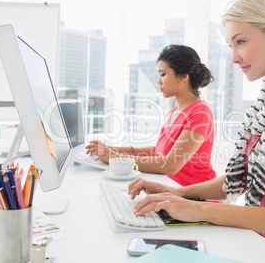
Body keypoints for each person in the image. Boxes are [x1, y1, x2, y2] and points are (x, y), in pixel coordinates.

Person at [127, 0, 265, 262]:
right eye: (231, 45)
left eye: (241, 41)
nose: (233, 57)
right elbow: (239, 179)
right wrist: (179, 194)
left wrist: (200, 211)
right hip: (256, 243)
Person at [86, 44, 216, 186]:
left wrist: (114, 157)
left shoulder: (200, 113)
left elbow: (170, 165)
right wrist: (112, 150)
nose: (158, 81)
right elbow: (158, 152)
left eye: (163, 74)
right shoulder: (176, 111)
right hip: (173, 192)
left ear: (184, 76)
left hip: (197, 198)